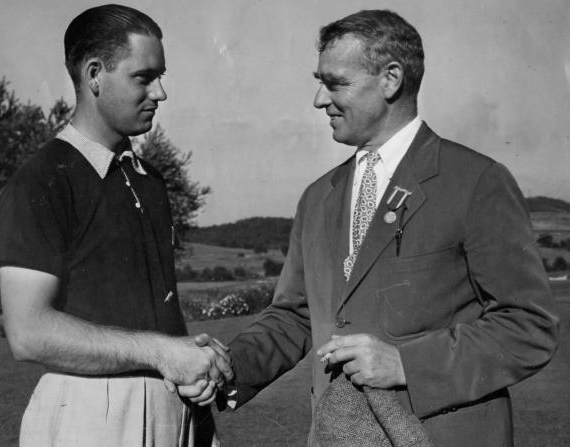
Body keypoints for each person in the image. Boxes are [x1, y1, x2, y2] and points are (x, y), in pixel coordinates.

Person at [215, 9, 559, 446]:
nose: (318, 100)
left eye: (335, 83)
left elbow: (529, 326)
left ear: (391, 79)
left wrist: (405, 364)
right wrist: (226, 368)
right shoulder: (317, 197)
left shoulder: (476, 182)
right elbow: (296, 316)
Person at [0, 4, 231, 446]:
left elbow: (156, 314)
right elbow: (28, 333)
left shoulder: (150, 180)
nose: (160, 93)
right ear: (94, 74)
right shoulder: (43, 180)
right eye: (144, 77)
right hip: (90, 414)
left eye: (161, 76)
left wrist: (189, 363)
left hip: (175, 408)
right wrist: (163, 353)